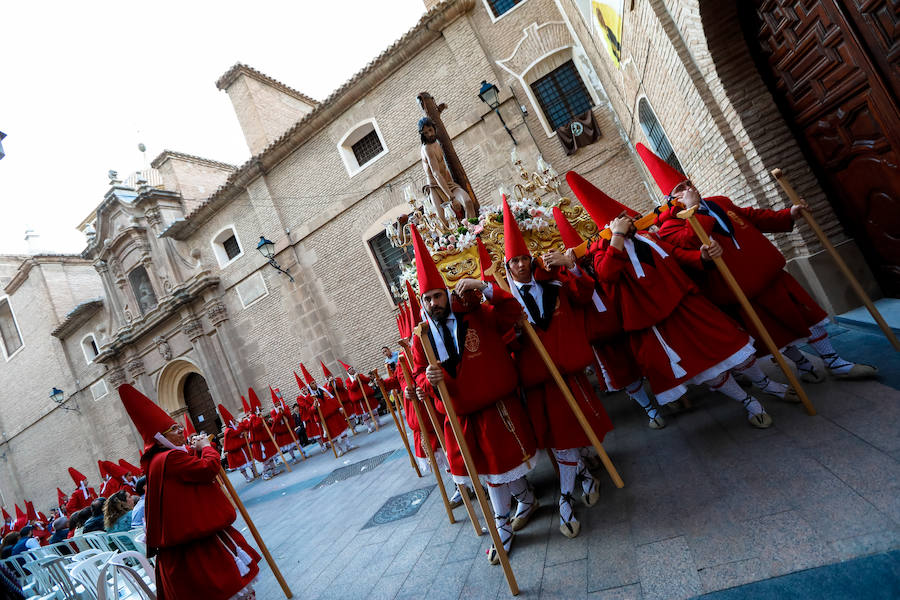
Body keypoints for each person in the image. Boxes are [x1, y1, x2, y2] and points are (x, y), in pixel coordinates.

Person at [638, 144, 878, 384]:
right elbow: (690, 240)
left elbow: (752, 217)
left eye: (688, 183)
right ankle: (804, 365)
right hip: (742, 290)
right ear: (671, 199)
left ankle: (834, 362)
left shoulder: (719, 201)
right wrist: (692, 211)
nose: (689, 189)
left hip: (771, 272)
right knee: (776, 335)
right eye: (680, 189)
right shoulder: (670, 225)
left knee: (808, 317)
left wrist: (789, 214)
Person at [569, 173, 775, 428]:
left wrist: (701, 257)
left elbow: (675, 255)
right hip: (658, 321)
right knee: (704, 368)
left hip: (686, 303)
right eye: (622, 220)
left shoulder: (650, 237)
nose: (629, 221)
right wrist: (617, 238)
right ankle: (747, 402)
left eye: (629, 218)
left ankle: (767, 384)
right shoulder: (603, 252)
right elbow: (607, 274)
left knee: (732, 346)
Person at [408, 224, 538, 564]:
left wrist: (485, 287)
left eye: (437, 295)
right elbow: (418, 376)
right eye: (427, 299)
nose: (433, 303)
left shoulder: (476, 311)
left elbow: (512, 314)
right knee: (488, 470)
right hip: (461, 416)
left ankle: (503, 524)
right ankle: (523, 501)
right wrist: (426, 379)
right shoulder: (420, 337)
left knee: (500, 468)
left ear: (446, 294)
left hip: (497, 406)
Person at [501, 197, 610, 539]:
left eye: (523, 259)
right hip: (536, 382)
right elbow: (505, 344)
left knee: (571, 434)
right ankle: (581, 477)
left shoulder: (554, 283)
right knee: (557, 439)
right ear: (505, 266)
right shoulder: (506, 304)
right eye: (512, 261)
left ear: (530, 260)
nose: (519, 265)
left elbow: (586, 294)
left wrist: (571, 264)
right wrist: (514, 331)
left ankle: (567, 495)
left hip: (568, 372)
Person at [118, 383, 260, 599]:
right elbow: (206, 470)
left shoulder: (161, 459)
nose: (181, 430)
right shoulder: (169, 457)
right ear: (160, 437)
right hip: (196, 539)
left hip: (186, 537)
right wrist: (208, 448)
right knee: (227, 585)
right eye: (174, 429)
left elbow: (186, 476)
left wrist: (195, 452)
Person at [556, 182, 663, 429]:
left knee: (648, 361)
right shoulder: (565, 275)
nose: (579, 257)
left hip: (625, 321)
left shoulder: (598, 257)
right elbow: (580, 296)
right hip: (600, 334)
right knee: (623, 374)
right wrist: (572, 268)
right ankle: (650, 410)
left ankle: (669, 398)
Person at [419, 117, 476, 230]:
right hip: (435, 187)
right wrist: (452, 198)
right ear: (422, 134)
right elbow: (436, 173)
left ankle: (471, 231)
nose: (429, 134)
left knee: (468, 202)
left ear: (434, 128)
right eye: (426, 133)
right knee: (444, 224)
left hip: (448, 183)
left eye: (430, 130)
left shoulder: (437, 142)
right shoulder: (427, 149)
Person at [300, 364, 352, 456]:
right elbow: (309, 411)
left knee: (342, 430)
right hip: (325, 419)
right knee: (333, 436)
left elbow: (332, 398)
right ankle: (339, 449)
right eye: (312, 383)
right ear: (309, 386)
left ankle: (348, 445)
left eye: (314, 382)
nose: (314, 383)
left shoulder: (323, 390)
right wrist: (314, 406)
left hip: (334, 414)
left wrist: (339, 407)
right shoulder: (308, 398)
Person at [219, 404, 259, 483]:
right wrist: (241, 424)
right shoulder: (228, 430)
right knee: (241, 465)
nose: (234, 420)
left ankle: (255, 473)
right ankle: (247, 477)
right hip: (236, 451)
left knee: (249, 461)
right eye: (233, 420)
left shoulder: (234, 428)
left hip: (242, 448)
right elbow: (236, 433)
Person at [246, 389, 279, 481]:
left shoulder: (257, 416)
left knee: (271, 457)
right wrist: (260, 419)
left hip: (265, 440)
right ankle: (264, 474)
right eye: (259, 406)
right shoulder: (253, 417)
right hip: (260, 443)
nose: (261, 407)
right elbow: (256, 427)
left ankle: (274, 471)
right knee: (266, 460)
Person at [340, 361, 378, 432]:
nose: (352, 369)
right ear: (348, 372)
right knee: (364, 414)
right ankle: (369, 427)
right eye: (350, 369)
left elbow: (367, 380)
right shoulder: (348, 380)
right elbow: (352, 388)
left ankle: (378, 422)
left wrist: (360, 377)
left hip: (367, 396)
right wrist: (355, 380)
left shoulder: (360, 375)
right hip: (359, 400)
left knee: (373, 410)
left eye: (352, 368)